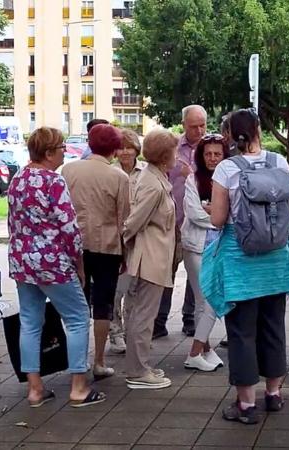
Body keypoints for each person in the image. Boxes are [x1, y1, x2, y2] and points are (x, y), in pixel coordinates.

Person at [204, 108, 289, 424]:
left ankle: (246, 404)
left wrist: (208, 210)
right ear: (258, 130)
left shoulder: (226, 169)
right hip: (276, 260)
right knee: (273, 326)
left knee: (242, 332)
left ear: (230, 134)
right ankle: (273, 394)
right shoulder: (280, 163)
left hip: (239, 260)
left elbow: (218, 220)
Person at [8, 126, 107, 409]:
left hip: (23, 261)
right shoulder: (53, 181)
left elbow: (14, 224)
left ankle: (35, 388)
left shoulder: (18, 179)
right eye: (61, 147)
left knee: (29, 322)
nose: (65, 150)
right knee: (76, 317)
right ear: (49, 153)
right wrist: (78, 262)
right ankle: (78, 387)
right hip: (53, 262)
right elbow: (69, 227)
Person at [62, 124, 130, 379]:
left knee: (75, 303)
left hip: (74, 245)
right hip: (108, 246)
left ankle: (76, 359)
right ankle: (99, 360)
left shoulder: (68, 170)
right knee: (103, 304)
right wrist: (125, 252)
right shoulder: (119, 177)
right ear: (114, 148)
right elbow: (124, 217)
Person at [123, 129, 180, 390]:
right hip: (150, 258)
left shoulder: (154, 178)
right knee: (142, 316)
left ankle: (141, 366)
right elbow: (133, 222)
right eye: (174, 151)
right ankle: (138, 371)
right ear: (165, 155)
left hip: (153, 257)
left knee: (141, 314)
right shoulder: (153, 183)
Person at [154, 104, 206, 339]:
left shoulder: (211, 148)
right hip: (173, 222)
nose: (199, 130)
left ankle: (190, 319)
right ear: (184, 124)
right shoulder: (172, 147)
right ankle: (159, 321)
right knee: (167, 272)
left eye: (202, 125)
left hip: (198, 224)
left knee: (196, 274)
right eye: (194, 126)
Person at [182, 133, 229, 371]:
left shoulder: (230, 176)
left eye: (217, 154)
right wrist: (219, 217)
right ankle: (194, 353)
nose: (212, 158)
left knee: (209, 300)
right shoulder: (193, 178)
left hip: (221, 247)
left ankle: (206, 349)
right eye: (208, 154)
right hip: (196, 247)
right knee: (206, 301)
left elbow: (234, 211)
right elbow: (194, 213)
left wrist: (212, 210)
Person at [110, 128, 147, 355]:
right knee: (116, 290)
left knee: (136, 287)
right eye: (121, 147)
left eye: (129, 147)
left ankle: (133, 331)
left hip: (139, 236)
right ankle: (115, 332)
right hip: (116, 236)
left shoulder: (145, 172)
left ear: (136, 149)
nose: (125, 152)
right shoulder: (111, 172)